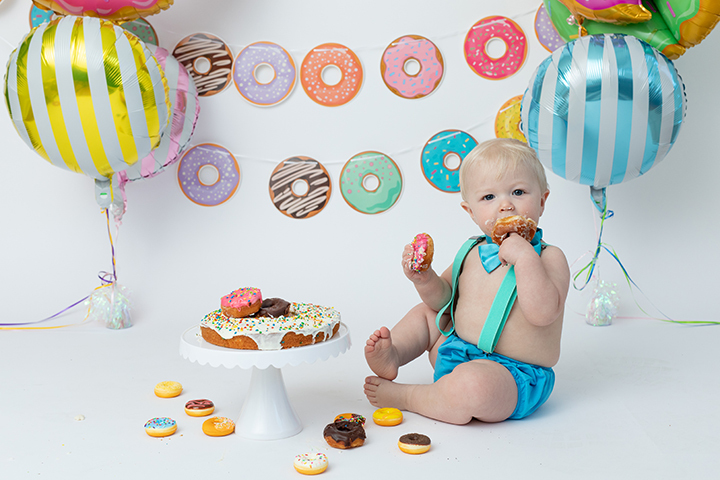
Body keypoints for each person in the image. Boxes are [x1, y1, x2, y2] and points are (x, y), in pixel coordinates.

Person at [364, 138, 570, 424]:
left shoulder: (549, 257)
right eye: (489, 197)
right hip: (455, 353)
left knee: (473, 386)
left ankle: (409, 397)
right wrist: (424, 278)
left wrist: (525, 260)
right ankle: (395, 354)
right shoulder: (471, 252)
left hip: (513, 376)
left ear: (542, 201)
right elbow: (443, 300)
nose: (506, 205)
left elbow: (544, 313)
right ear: (470, 211)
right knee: (427, 314)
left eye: (518, 192)